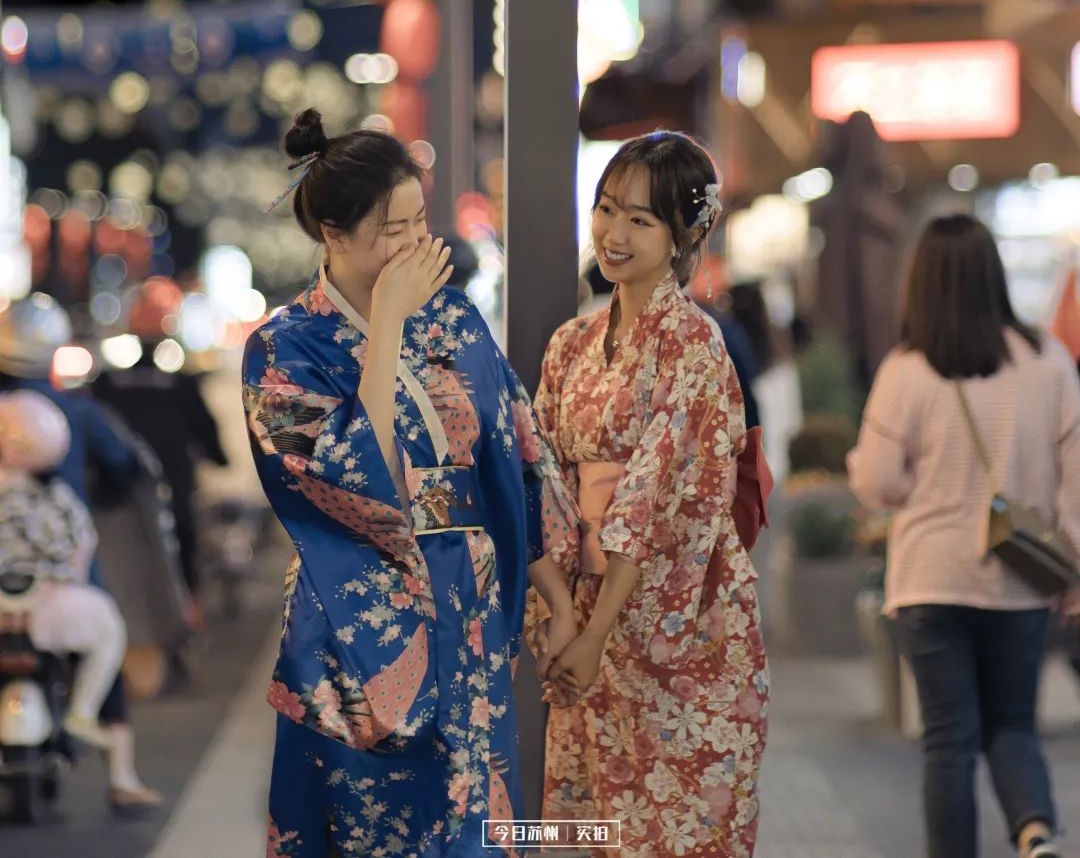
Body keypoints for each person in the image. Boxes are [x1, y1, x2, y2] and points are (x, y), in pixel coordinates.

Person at [243, 111, 580, 858]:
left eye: (419, 221)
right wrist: (388, 321)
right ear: (333, 234)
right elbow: (343, 474)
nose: (415, 242)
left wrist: (556, 599)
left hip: (468, 598)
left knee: (475, 817)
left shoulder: (454, 318)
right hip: (358, 621)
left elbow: (517, 455)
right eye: (393, 229)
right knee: (370, 823)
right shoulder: (282, 349)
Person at [533, 131, 769, 858]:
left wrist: (596, 631)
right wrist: (559, 613)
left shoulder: (694, 343)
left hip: (677, 626)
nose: (614, 233)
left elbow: (656, 498)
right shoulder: (570, 343)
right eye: (607, 209)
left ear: (685, 234)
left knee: (678, 831)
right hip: (585, 613)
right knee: (592, 828)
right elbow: (540, 477)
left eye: (641, 219)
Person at [848, 216, 1080, 858]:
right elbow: (1075, 481)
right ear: (993, 273)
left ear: (920, 282)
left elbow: (876, 481)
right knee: (1014, 724)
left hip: (930, 579)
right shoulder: (1048, 361)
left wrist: (907, 483)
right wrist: (1073, 566)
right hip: (1021, 579)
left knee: (948, 740)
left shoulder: (906, 370)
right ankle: (1035, 833)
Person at [0, 292, 164, 811]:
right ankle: (120, 773)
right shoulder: (76, 411)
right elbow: (123, 466)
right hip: (59, 578)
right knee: (103, 637)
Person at [0, 390, 127, 748]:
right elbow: (79, 542)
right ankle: (82, 713)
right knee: (108, 630)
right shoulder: (55, 494)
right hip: (51, 604)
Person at [94, 276, 229, 601]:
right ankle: (189, 608)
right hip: (172, 485)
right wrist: (219, 457)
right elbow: (205, 429)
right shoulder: (179, 384)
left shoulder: (106, 384)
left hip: (121, 489)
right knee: (184, 540)